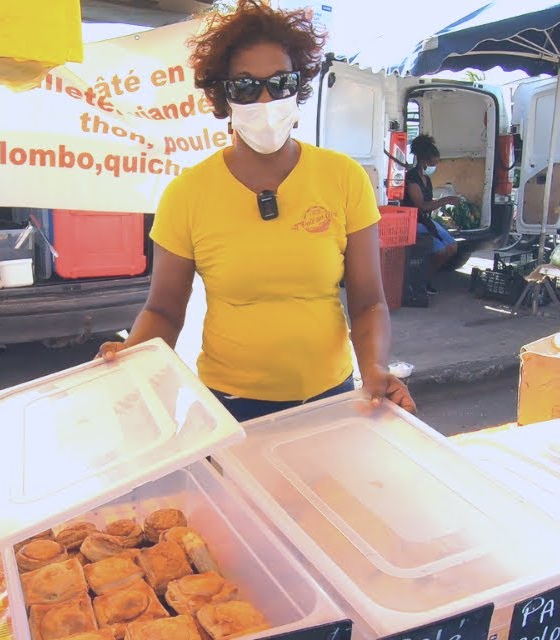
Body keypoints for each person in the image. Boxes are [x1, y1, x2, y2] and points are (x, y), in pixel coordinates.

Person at [98, 0, 415, 422]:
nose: (266, 99)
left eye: (281, 83)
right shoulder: (186, 194)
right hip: (230, 406)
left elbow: (368, 301)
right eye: (246, 86)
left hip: (330, 397)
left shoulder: (345, 178)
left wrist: (374, 367)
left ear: (298, 88)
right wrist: (133, 358)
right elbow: (164, 311)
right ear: (222, 95)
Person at [401, 134, 462, 300]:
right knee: (440, 251)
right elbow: (421, 205)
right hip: (414, 222)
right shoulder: (412, 178)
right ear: (423, 160)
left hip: (426, 220)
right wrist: (446, 200)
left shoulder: (426, 179)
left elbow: (429, 203)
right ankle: (421, 281)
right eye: (433, 163)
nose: (434, 166)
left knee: (452, 247)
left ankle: (424, 278)